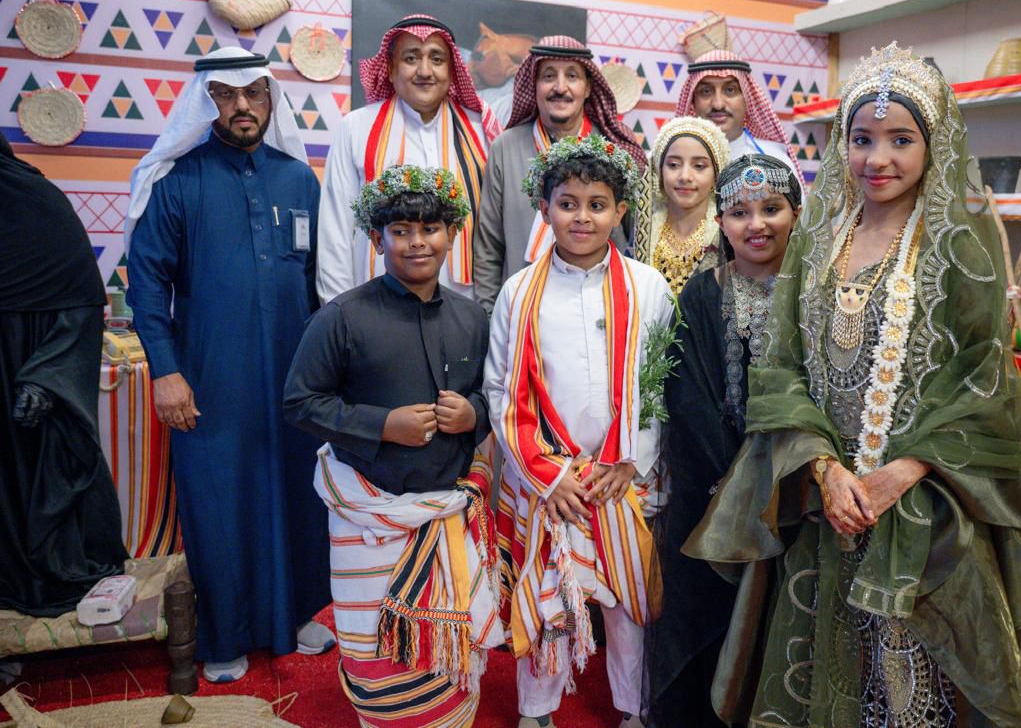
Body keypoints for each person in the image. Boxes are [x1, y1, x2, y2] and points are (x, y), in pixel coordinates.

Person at [685, 44, 1021, 726]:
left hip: (925, 509)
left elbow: (984, 382)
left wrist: (902, 473)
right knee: (828, 674)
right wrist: (826, 470)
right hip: (828, 507)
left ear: (932, 145)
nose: (877, 158)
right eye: (861, 139)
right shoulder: (816, 242)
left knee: (917, 682)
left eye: (900, 139)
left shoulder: (958, 249)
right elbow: (782, 367)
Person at [125, 48, 333, 683]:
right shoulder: (177, 181)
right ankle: (224, 635)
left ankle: (297, 613)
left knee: (299, 494)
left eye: (254, 93)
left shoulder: (299, 181)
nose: (243, 106)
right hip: (210, 377)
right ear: (205, 102)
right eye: (226, 94)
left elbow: (322, 283)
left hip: (294, 379)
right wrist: (166, 372)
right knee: (220, 503)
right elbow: (146, 285)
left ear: (271, 99)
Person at [284, 167, 503, 727]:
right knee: (375, 649)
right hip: (368, 516)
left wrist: (473, 414)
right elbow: (300, 403)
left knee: (451, 648)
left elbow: (493, 394)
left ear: (452, 234)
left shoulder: (472, 317)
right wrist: (383, 425)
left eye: (430, 229)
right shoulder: (341, 317)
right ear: (376, 239)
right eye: (401, 231)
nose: (416, 242)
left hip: (447, 513)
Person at [485, 134, 674, 728]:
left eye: (597, 204)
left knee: (626, 605)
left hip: (621, 478)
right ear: (544, 209)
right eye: (568, 204)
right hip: (551, 480)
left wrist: (632, 460)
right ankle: (536, 709)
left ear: (621, 211)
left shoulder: (648, 287)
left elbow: (660, 383)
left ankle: (632, 708)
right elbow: (500, 391)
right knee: (548, 597)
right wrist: (549, 475)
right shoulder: (519, 292)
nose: (582, 217)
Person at [645, 154, 802, 727]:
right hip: (714, 488)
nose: (756, 224)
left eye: (771, 209)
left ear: (796, 213)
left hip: (797, 487)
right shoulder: (702, 293)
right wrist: (735, 483)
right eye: (739, 213)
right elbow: (687, 397)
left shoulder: (817, 293)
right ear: (720, 222)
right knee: (707, 613)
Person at [0, 132, 127, 617]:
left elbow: (81, 301)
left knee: (40, 471)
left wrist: (48, 375)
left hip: (28, 371)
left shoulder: (35, 202)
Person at [317, 14, 500, 303]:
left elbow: (496, 232)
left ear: (452, 70)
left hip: (464, 306)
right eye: (411, 58)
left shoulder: (481, 130)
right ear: (390, 69)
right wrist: (339, 313)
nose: (425, 71)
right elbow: (335, 231)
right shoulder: (356, 128)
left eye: (437, 59)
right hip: (376, 308)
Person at [472, 35, 645, 314]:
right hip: (522, 310)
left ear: (588, 88)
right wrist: (490, 316)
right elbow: (489, 247)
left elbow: (634, 240)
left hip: (602, 310)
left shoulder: (614, 149)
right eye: (549, 76)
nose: (560, 87)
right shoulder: (506, 147)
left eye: (572, 76)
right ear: (534, 85)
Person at [674, 49, 805, 185]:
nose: (718, 104)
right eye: (706, 91)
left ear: (747, 98)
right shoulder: (672, 163)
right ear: (693, 102)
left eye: (730, 90)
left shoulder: (775, 163)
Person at [634, 116, 730, 295]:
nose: (685, 176)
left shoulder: (728, 235)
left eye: (699, 166)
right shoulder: (642, 231)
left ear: (716, 175)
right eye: (673, 165)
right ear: (659, 171)